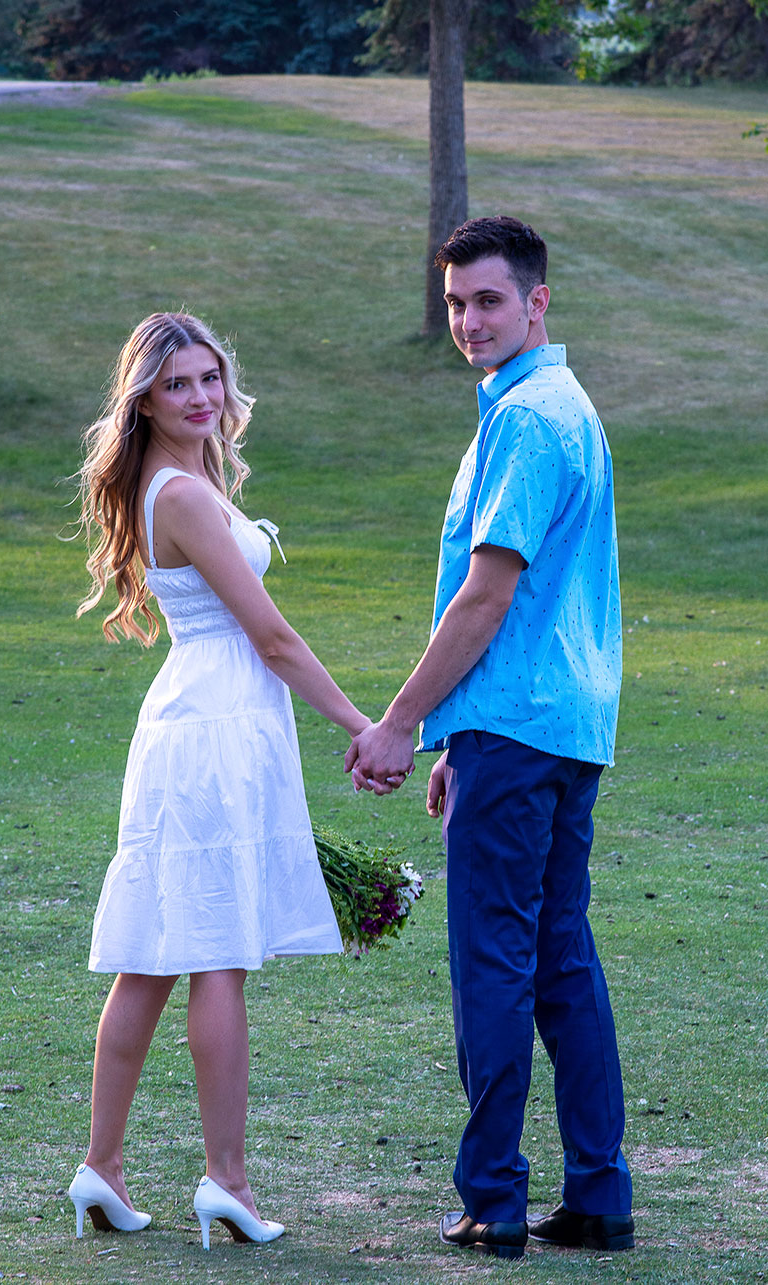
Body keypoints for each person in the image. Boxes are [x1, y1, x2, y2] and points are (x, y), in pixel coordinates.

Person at [345, 216, 634, 1259]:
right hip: (555, 728)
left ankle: (492, 1202)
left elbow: (485, 595)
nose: (468, 320)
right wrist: (457, 738)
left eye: (487, 301)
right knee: (560, 958)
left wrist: (402, 721)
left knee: (494, 964)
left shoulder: (524, 417)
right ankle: (598, 1198)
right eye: (456, 302)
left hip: (517, 727)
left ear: (536, 301)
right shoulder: (561, 406)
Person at [68, 311, 376, 1250]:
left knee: (155, 958)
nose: (201, 396)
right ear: (145, 400)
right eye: (177, 385)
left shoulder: (188, 479)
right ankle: (226, 1179)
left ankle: (103, 1168)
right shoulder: (187, 495)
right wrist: (364, 726)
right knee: (213, 952)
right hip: (214, 727)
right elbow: (272, 638)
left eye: (209, 377)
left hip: (201, 719)